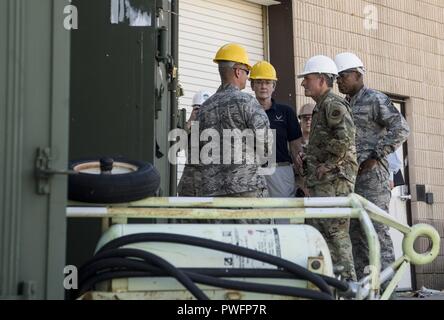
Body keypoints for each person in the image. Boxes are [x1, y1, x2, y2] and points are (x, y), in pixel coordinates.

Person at [335, 52, 410, 279]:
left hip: (372, 178)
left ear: (358, 74)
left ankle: (388, 287)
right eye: (336, 77)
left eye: (343, 76)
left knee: (377, 231)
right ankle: (366, 287)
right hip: (350, 179)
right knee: (356, 234)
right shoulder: (343, 104)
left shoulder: (375, 99)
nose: (338, 80)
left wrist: (376, 156)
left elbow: (401, 128)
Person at [298, 55, 358, 281]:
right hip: (324, 182)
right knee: (321, 233)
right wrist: (310, 155)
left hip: (335, 181)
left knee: (336, 234)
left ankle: (349, 287)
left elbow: (345, 139)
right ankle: (331, 286)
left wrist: (327, 165)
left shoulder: (333, 104)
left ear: (322, 80)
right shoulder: (321, 106)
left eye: (308, 78)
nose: (304, 83)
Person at [196, 43, 272, 198]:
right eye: (246, 71)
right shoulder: (247, 102)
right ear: (238, 71)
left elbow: (198, 150)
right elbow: (265, 145)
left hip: (213, 190)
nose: (247, 76)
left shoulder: (204, 107)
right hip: (246, 188)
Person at [250, 61, 304, 197]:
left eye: (267, 82)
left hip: (281, 170)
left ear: (273, 86)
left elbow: (296, 148)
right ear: (252, 85)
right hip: (253, 171)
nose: (263, 86)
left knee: (283, 214)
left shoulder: (286, 112)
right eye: (259, 82)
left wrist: (303, 179)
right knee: (258, 215)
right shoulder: (246, 112)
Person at [177, 89, 212, 196]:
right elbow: (176, 146)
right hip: (189, 184)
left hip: (210, 184)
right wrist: (190, 121)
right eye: (198, 109)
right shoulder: (188, 128)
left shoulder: (217, 128)